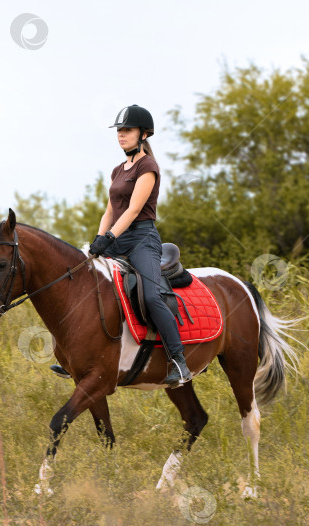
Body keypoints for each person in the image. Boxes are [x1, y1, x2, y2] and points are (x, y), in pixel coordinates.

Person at [51, 104, 192, 388]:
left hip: (141, 239)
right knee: (84, 284)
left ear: (143, 134)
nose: (121, 135)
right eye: (119, 131)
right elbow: (110, 210)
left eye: (126, 130)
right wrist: (98, 240)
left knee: (152, 297)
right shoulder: (118, 170)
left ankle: (178, 360)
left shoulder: (147, 167)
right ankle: (76, 355)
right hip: (116, 237)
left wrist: (110, 238)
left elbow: (132, 210)